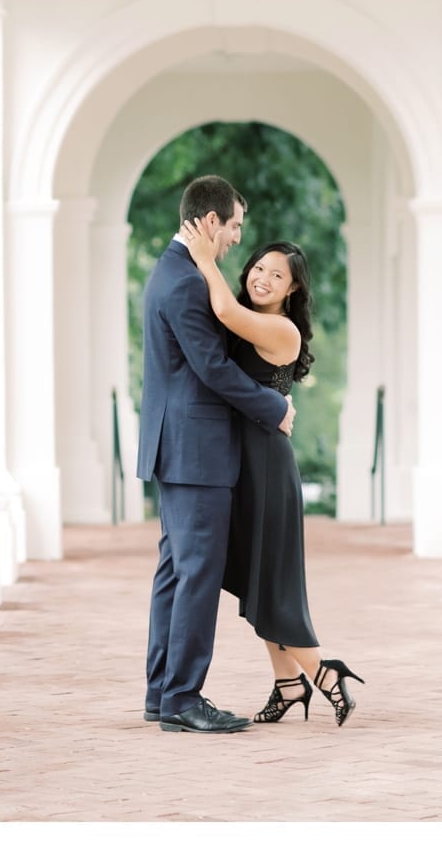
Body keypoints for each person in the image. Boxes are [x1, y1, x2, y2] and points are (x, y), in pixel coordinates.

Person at [179, 220, 366, 727]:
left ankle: (325, 674)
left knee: (274, 582)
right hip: (241, 464)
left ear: (293, 288)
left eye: (276, 276)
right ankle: (288, 685)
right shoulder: (248, 317)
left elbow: (222, 308)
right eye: (258, 268)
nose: (262, 278)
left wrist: (202, 257)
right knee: (256, 580)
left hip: (265, 467)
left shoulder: (281, 328)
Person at [139, 175, 296, 734]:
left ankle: (163, 693)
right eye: (233, 226)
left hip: (177, 446)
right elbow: (212, 368)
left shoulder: (172, 270)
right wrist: (272, 406)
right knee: (196, 575)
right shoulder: (185, 282)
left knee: (176, 575)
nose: (236, 239)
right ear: (210, 222)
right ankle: (182, 697)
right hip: (195, 450)